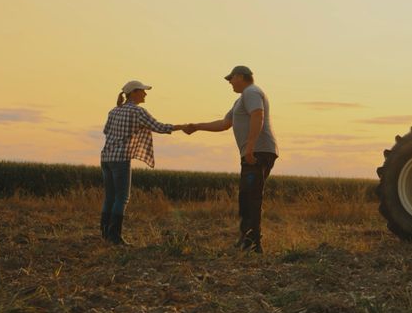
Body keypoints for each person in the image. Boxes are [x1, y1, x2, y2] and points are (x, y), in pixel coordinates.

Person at [186, 65, 278, 253]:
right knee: (246, 196)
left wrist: (251, 146)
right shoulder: (240, 100)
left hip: (258, 152)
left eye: (231, 79)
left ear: (240, 76)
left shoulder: (251, 92)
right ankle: (245, 238)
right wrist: (197, 126)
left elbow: (257, 115)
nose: (229, 83)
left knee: (251, 196)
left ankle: (252, 244)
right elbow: (224, 123)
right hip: (253, 152)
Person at [100, 80, 188, 245]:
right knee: (122, 198)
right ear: (134, 93)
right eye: (142, 91)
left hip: (105, 157)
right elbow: (159, 127)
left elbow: (106, 131)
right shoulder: (138, 112)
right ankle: (114, 236)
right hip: (120, 159)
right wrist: (181, 126)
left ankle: (105, 233)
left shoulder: (113, 111)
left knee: (110, 197)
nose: (145, 94)